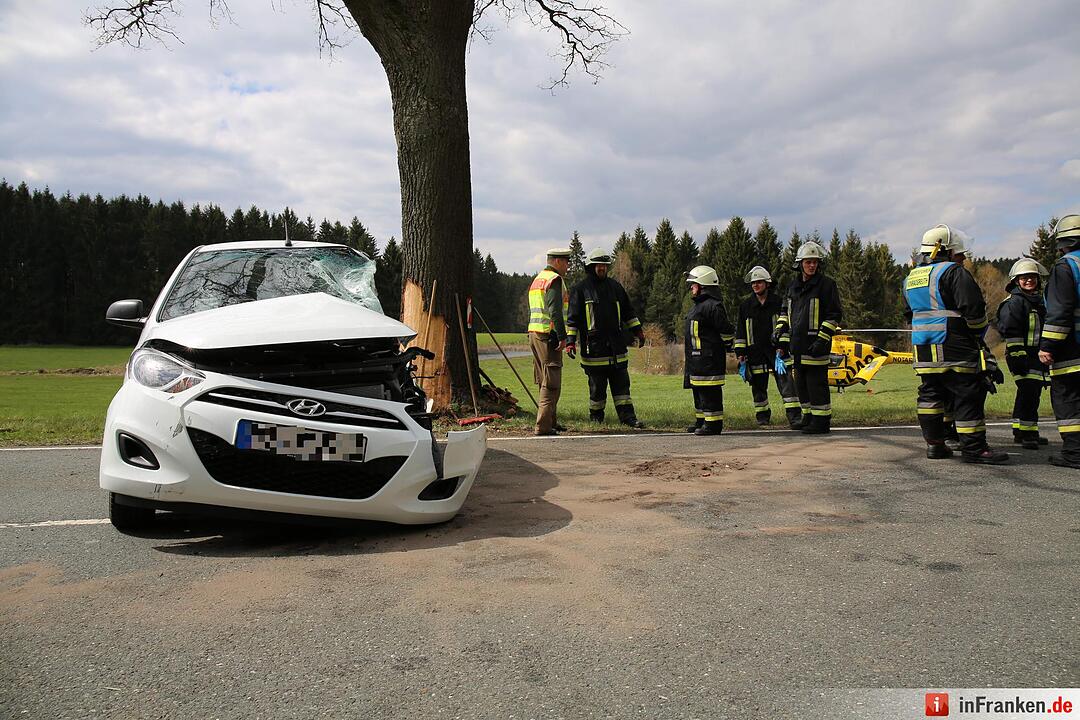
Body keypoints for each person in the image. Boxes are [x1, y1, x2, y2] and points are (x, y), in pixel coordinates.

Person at [902, 224, 1008, 463]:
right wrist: (977, 334)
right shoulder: (954, 272)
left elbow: (909, 314)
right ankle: (974, 449)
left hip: (923, 347)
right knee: (967, 392)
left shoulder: (912, 277)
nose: (961, 258)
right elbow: (974, 310)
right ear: (945, 250)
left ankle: (935, 445)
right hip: (954, 344)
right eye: (958, 253)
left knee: (931, 394)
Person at [565, 248, 646, 428]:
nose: (602, 268)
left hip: (617, 349)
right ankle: (596, 419)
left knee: (622, 388)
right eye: (598, 265)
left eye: (604, 265)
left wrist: (638, 331)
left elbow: (628, 312)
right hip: (594, 351)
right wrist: (570, 342)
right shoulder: (580, 290)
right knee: (597, 390)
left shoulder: (616, 287)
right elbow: (572, 320)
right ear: (591, 267)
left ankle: (628, 418)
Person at [772, 241, 842, 434]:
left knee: (816, 385)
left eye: (815, 262)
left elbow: (834, 315)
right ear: (800, 263)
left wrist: (822, 339)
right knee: (801, 384)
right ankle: (808, 417)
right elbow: (785, 313)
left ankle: (821, 421)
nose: (812, 265)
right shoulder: (793, 287)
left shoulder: (827, 285)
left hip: (816, 346)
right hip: (797, 346)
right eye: (808, 262)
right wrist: (779, 331)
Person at [733, 266, 802, 428]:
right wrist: (741, 353)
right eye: (753, 283)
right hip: (755, 352)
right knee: (758, 386)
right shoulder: (746, 306)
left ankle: (794, 417)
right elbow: (741, 331)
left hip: (777, 352)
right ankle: (762, 417)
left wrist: (782, 347)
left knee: (787, 385)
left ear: (767, 283)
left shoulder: (778, 303)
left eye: (759, 282)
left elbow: (785, 326)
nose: (755, 285)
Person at [1039, 214, 1080, 469]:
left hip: (1072, 348)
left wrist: (1047, 345)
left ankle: (1075, 453)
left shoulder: (1066, 267)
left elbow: (1060, 311)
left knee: (1068, 397)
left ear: (1063, 242)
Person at [996, 258, 1049, 450]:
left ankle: (1021, 431)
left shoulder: (1038, 301)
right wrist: (1019, 356)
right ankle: (1028, 434)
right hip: (1021, 355)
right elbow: (1011, 331)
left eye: (1033, 277)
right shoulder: (1015, 302)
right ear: (1016, 280)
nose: (1029, 281)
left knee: (1029, 392)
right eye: (1025, 278)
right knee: (1029, 393)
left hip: (1036, 355)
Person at [683, 265, 735, 435]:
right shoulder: (699, 306)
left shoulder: (713, 306)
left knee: (709, 393)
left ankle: (713, 424)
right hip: (697, 360)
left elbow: (726, 330)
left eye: (693, 284)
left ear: (702, 285)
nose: (691, 287)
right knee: (699, 392)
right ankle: (702, 420)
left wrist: (728, 346)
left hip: (708, 360)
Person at [527, 248, 570, 436]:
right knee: (551, 381)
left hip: (534, 333)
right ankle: (543, 426)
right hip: (548, 336)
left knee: (543, 380)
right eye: (566, 262)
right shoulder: (554, 280)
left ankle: (551, 421)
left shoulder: (538, 279)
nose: (568, 266)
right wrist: (562, 336)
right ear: (557, 261)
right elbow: (555, 311)